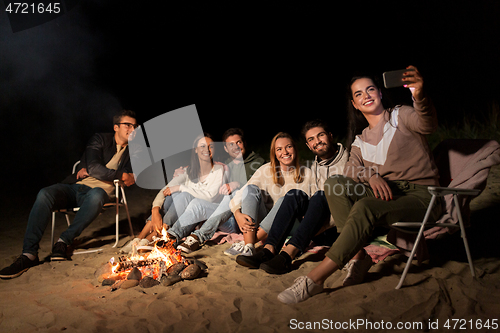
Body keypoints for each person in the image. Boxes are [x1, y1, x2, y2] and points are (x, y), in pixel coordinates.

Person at [278, 66, 442, 304]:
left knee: (365, 206)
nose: (365, 95)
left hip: (422, 197)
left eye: (370, 89)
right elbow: (350, 170)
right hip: (389, 193)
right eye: (358, 94)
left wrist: (418, 95)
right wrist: (371, 176)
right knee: (335, 183)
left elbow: (428, 124)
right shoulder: (361, 139)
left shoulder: (400, 115)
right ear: (354, 103)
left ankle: (314, 279)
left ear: (380, 93)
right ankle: (358, 256)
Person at [0, 110, 137, 279]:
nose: (132, 129)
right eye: (128, 125)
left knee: (97, 194)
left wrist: (102, 172)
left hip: (98, 194)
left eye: (135, 126)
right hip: (75, 187)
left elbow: (131, 178)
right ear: (116, 127)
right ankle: (29, 254)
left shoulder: (134, 151)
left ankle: (63, 241)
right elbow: (94, 166)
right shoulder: (100, 139)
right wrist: (117, 174)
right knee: (45, 194)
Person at [236, 119, 348, 273]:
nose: (317, 142)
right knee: (294, 194)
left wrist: (310, 224)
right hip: (310, 225)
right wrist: (237, 212)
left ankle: (287, 256)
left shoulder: (350, 161)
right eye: (311, 139)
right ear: (308, 145)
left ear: (330, 135)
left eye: (320, 135)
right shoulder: (315, 166)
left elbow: (332, 205)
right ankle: (268, 251)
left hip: (332, 228)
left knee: (322, 195)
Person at [121, 133, 226, 251]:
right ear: (195, 150)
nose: (206, 149)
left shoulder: (219, 169)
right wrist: (155, 210)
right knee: (171, 195)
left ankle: (150, 238)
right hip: (180, 212)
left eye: (210, 146)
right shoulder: (188, 171)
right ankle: (139, 239)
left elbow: (210, 197)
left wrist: (181, 188)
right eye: (202, 146)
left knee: (183, 194)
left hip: (198, 214)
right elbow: (165, 190)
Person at [224, 132, 317, 257]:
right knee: (250, 189)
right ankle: (250, 247)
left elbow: (316, 203)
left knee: (285, 200)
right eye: (279, 149)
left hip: (292, 224)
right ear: (274, 152)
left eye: (288, 147)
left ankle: (248, 242)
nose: (285, 152)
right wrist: (237, 213)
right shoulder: (265, 170)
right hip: (266, 222)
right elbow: (241, 194)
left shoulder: (307, 173)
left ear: (295, 148)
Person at [174, 128, 265, 253]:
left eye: (239, 142)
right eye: (231, 144)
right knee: (197, 204)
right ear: (226, 149)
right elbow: (206, 170)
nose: (236, 147)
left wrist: (238, 184)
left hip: (248, 219)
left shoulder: (259, 164)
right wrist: (184, 170)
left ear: (244, 143)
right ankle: (172, 235)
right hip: (227, 218)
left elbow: (258, 191)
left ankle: (199, 235)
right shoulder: (226, 165)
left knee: (233, 193)